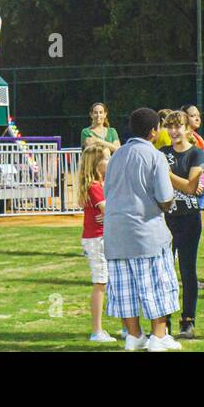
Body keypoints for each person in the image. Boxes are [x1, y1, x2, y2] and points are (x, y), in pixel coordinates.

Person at [103, 107, 181, 351]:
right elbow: (165, 197)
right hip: (146, 233)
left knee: (124, 288)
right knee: (157, 285)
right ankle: (158, 336)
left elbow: (108, 191)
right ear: (153, 131)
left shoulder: (116, 155)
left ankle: (134, 336)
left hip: (115, 233)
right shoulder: (155, 156)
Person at [159, 110, 204, 338]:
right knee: (163, 271)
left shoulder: (196, 154)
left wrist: (165, 174)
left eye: (178, 126)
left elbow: (190, 187)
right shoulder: (161, 152)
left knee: (187, 271)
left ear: (188, 129)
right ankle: (163, 320)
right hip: (165, 219)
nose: (173, 131)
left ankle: (188, 321)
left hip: (189, 219)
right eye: (170, 126)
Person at [77, 145, 113, 342]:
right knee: (100, 282)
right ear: (97, 163)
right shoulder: (94, 187)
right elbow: (107, 210)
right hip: (97, 238)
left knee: (108, 281)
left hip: (102, 236)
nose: (110, 161)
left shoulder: (102, 184)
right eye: (107, 158)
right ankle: (96, 330)